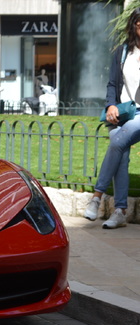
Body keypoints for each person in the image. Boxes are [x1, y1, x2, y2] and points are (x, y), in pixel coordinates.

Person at [84, 7, 140, 229]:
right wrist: (110, 105)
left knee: (117, 141)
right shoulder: (123, 51)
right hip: (125, 111)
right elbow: (112, 84)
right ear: (134, 25)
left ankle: (96, 197)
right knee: (121, 151)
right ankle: (119, 211)